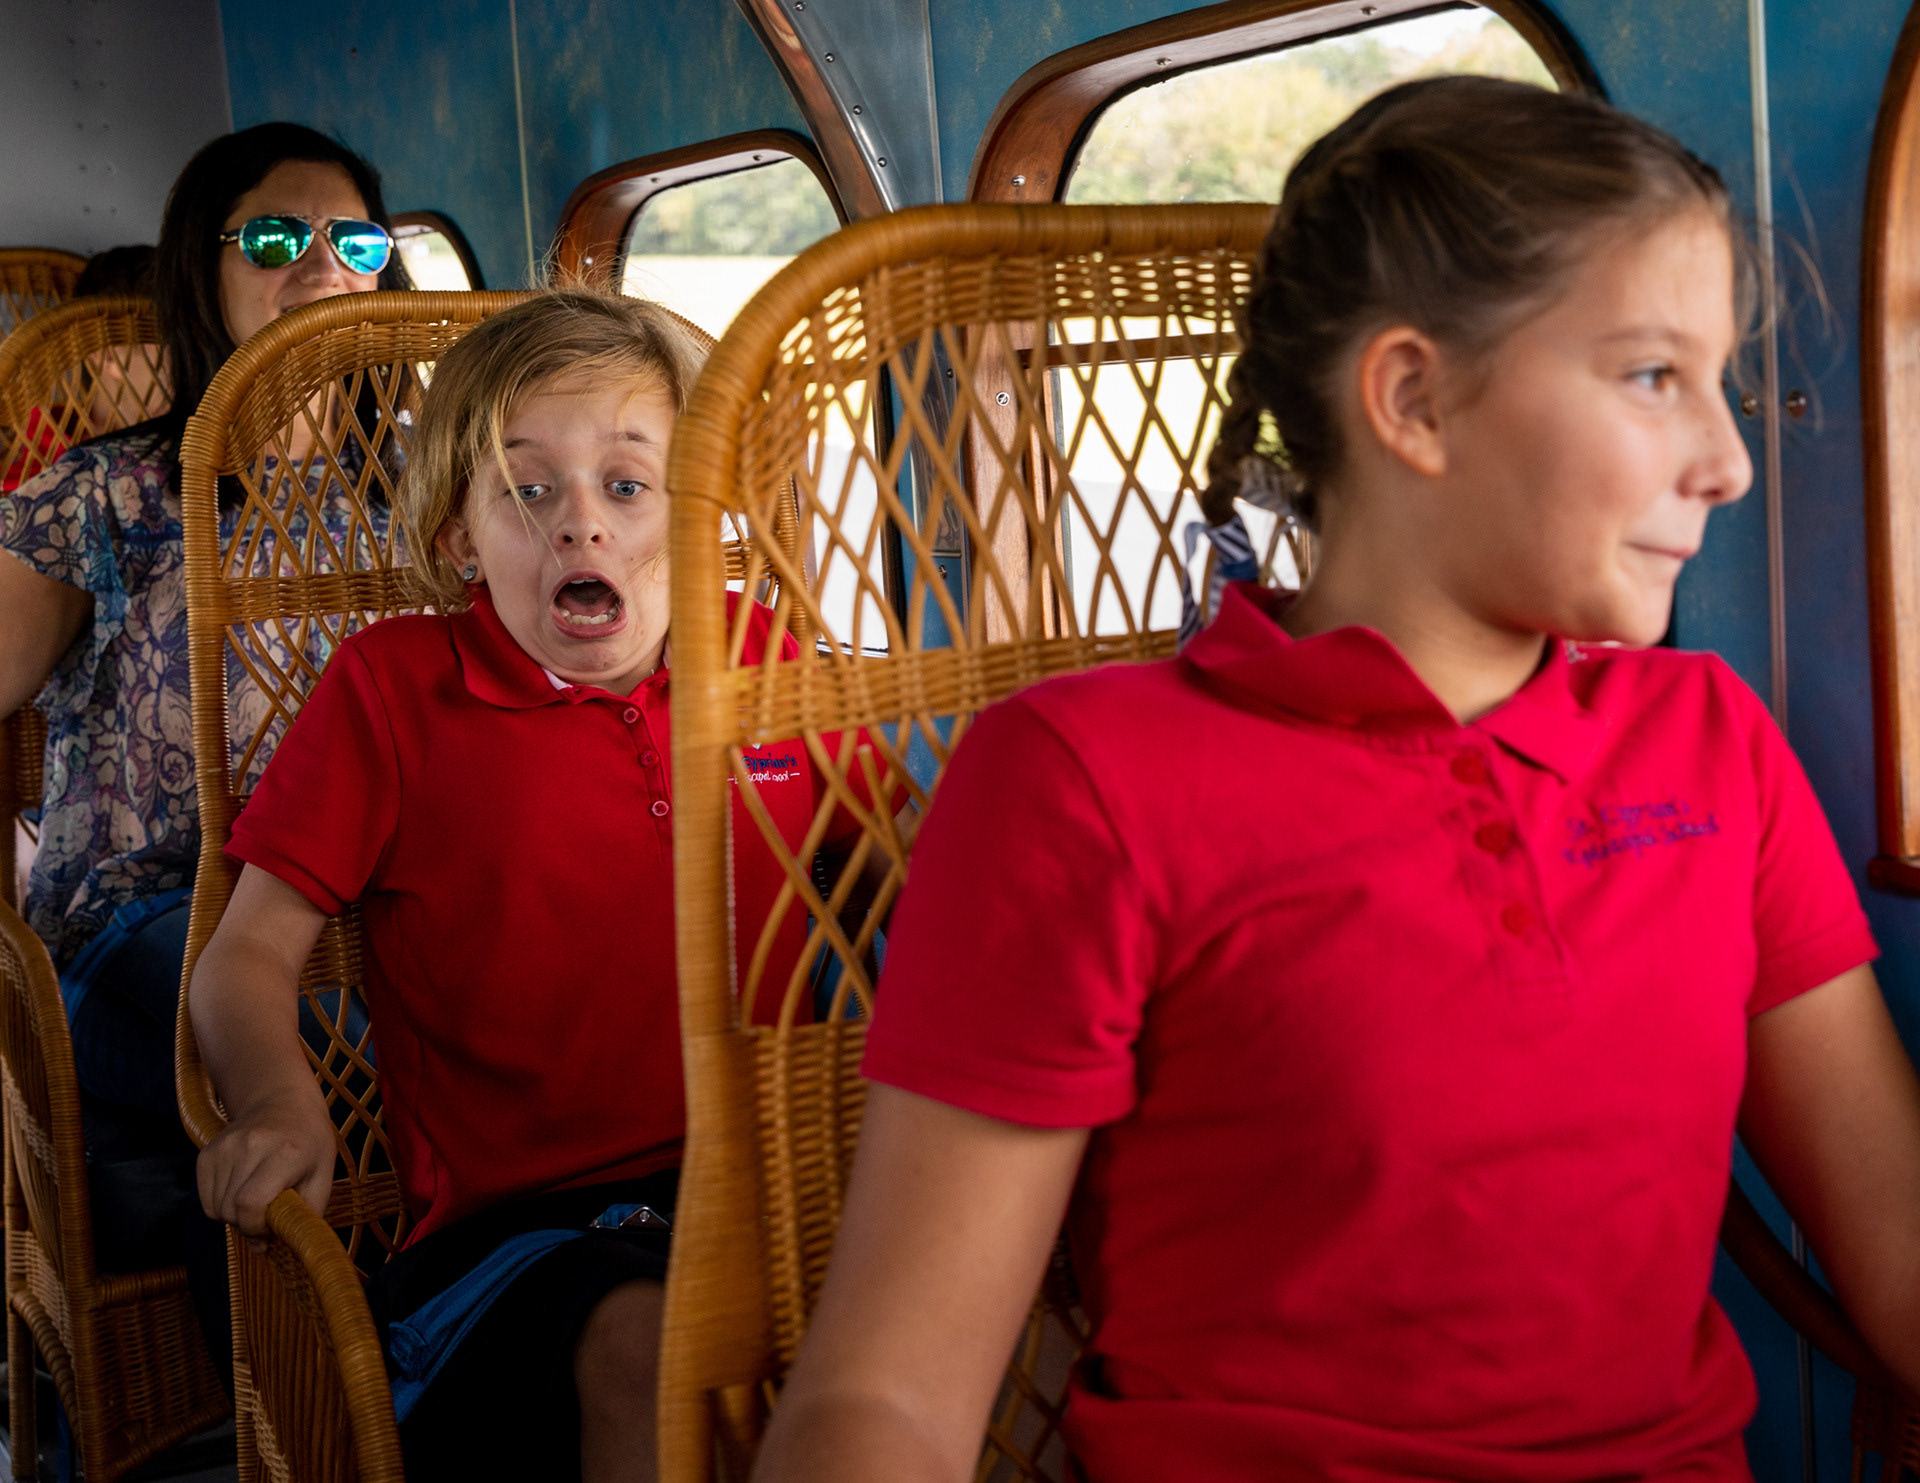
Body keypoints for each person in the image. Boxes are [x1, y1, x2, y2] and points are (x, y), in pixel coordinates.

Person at [752, 76, 1920, 1483]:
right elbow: (886, 1405)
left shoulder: (1712, 739)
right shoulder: (1080, 780)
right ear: (1415, 400)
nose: (1730, 462)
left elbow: (1903, 1261)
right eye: (1652, 376)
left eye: (1719, 379)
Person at [189, 290, 890, 1483]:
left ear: (694, 508)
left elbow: (895, 868)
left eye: (628, 484)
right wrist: (275, 1100)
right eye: (526, 489)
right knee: (651, 1351)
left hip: (775, 1174)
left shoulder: (760, 653)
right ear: (462, 535)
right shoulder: (391, 689)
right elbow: (245, 956)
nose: (581, 527)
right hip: (521, 1234)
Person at [0, 121, 409, 1373]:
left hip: (370, 903)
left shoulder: (429, 502)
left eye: (356, 240)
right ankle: (322, 1418)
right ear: (204, 271)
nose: (322, 264)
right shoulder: (104, 496)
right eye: (277, 238)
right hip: (150, 918)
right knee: (314, 1057)